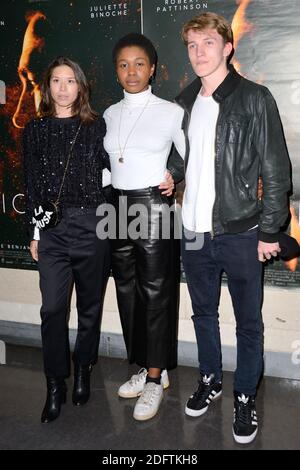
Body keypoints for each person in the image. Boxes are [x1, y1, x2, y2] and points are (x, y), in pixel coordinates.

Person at [175, 13, 291, 444]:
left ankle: (244, 396)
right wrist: (171, 174)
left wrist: (269, 230)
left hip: (241, 230)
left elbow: (278, 171)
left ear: (227, 47)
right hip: (193, 230)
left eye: (207, 43)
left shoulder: (255, 98)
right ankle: (210, 377)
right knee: (202, 313)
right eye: (191, 45)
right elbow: (185, 157)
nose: (198, 53)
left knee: (248, 322)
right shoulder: (185, 100)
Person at [22, 56, 111, 423]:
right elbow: (30, 184)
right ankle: (55, 382)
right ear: (47, 87)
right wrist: (34, 232)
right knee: (52, 310)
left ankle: (84, 367)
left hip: (92, 226)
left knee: (90, 308)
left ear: (81, 86)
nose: (62, 88)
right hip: (53, 232)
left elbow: (111, 177)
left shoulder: (96, 126)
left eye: (69, 80)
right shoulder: (34, 129)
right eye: (55, 81)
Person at [103, 33, 185, 421]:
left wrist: (176, 176)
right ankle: (148, 367)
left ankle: (155, 378)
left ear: (152, 68)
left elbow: (190, 157)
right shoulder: (109, 114)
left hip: (154, 205)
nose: (131, 71)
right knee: (127, 291)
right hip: (116, 205)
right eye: (123, 64)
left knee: (157, 292)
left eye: (139, 63)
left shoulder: (171, 112)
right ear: (116, 71)